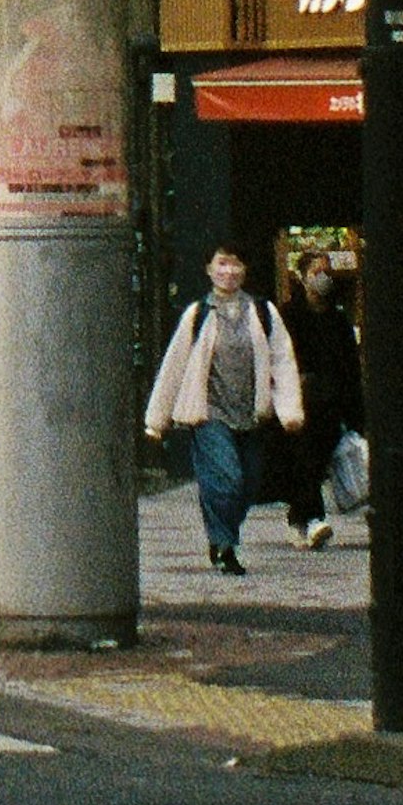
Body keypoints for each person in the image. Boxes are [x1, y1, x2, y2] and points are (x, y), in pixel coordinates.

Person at [145, 244, 302, 573]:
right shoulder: (198, 314)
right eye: (222, 264)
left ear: (245, 270)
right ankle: (224, 545)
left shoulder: (262, 312)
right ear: (209, 269)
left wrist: (289, 411)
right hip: (210, 413)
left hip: (251, 414)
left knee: (248, 485)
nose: (229, 271)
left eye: (236, 264)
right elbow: (173, 366)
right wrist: (156, 420)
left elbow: (282, 362)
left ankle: (222, 533)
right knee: (226, 478)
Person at [287, 245, 365, 547]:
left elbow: (349, 368)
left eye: (326, 272)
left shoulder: (338, 320)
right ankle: (313, 519)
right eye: (315, 272)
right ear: (302, 277)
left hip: (331, 403)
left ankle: (301, 516)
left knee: (319, 461)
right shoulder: (290, 315)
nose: (322, 279)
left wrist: (355, 412)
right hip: (299, 401)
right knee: (305, 458)